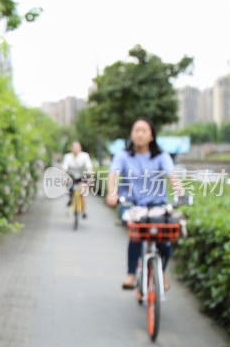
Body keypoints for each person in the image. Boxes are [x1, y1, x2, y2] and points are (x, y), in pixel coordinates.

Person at [106, 118, 184, 290]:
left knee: (166, 238)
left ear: (152, 136)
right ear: (131, 134)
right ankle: (131, 273)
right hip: (131, 205)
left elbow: (172, 176)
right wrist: (112, 192)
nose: (139, 134)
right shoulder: (123, 155)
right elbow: (114, 174)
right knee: (137, 234)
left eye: (144, 130)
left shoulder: (161, 156)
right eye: (136, 130)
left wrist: (181, 194)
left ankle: (161, 271)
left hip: (157, 206)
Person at [62, 141, 93, 218]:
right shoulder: (68, 156)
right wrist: (63, 172)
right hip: (72, 176)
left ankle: (84, 212)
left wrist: (90, 171)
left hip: (82, 176)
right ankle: (70, 198)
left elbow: (89, 165)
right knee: (68, 183)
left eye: (77, 147)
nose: (75, 149)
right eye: (73, 147)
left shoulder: (85, 156)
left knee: (82, 192)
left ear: (80, 148)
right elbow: (65, 167)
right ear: (71, 149)